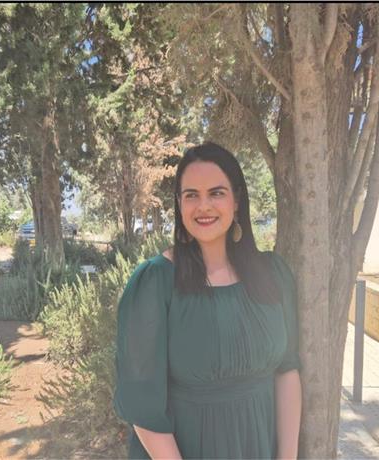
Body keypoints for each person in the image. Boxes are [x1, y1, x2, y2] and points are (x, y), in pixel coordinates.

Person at [113, 142, 302, 459]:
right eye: (191, 195)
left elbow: (287, 371)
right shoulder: (155, 283)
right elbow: (143, 406)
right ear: (179, 204)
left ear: (236, 200)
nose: (204, 206)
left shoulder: (273, 274)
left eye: (216, 193)